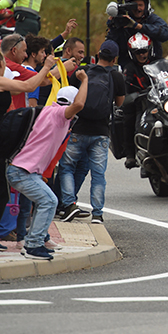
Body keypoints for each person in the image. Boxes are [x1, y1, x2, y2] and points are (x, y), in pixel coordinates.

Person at [0, 46, 55, 251]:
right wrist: (46, 67)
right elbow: (27, 86)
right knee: (1, 183)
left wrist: (49, 74)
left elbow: (31, 84)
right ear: (0, 64)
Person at [7, 80, 88, 260]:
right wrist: (85, 79)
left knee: (44, 201)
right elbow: (80, 103)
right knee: (49, 201)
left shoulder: (49, 110)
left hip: (25, 170)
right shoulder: (60, 114)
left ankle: (32, 242)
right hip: (21, 171)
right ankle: (33, 245)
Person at [58, 40, 125, 224]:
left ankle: (69, 204)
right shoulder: (116, 76)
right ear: (115, 59)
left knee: (67, 168)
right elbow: (119, 103)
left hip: (78, 128)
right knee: (98, 174)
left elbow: (70, 94)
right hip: (101, 132)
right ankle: (97, 214)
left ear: (98, 54)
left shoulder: (83, 72)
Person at [106, 0, 168, 70]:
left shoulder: (152, 19)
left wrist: (139, 26)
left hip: (154, 66)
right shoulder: (122, 22)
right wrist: (113, 27)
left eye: (140, 5)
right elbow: (110, 46)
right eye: (134, 6)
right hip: (128, 68)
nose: (138, 9)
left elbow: (166, 34)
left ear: (146, 5)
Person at [122, 32, 154, 168]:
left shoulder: (157, 61)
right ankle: (132, 154)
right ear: (132, 53)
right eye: (138, 52)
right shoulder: (129, 68)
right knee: (131, 119)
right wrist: (132, 94)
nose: (142, 55)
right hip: (140, 102)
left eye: (144, 51)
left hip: (160, 98)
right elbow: (126, 85)